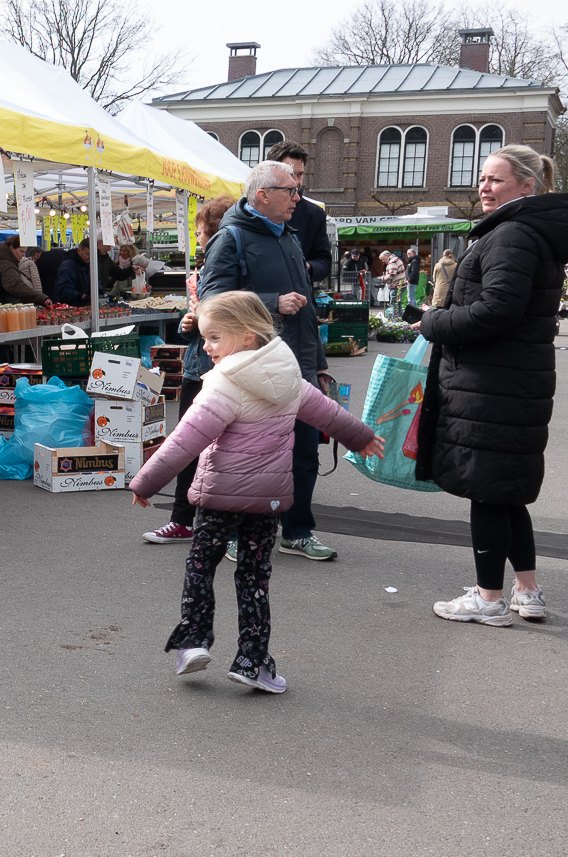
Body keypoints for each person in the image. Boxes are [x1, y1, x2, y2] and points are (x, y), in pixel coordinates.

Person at [129, 292, 382, 693]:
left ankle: (193, 641)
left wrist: (145, 483)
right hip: (268, 502)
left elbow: (184, 442)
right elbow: (329, 414)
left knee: (201, 567)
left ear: (246, 337)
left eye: (213, 338)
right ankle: (252, 661)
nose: (206, 346)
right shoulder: (288, 378)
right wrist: (362, 437)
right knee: (254, 579)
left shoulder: (223, 386)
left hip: (218, 499)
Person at [412, 145, 568, 629]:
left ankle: (488, 598)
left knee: (486, 490)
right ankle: (527, 591)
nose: (484, 188)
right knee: (506, 491)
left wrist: (435, 322)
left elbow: (497, 310)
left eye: (496, 181)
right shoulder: (525, 231)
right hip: (511, 380)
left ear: (527, 186)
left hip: (492, 384)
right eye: (482, 179)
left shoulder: (512, 234)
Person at [184, 160, 338, 560]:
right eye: (290, 190)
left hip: (296, 363)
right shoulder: (230, 238)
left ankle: (297, 530)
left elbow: (306, 310)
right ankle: (233, 532)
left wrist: (318, 362)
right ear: (263, 195)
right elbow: (213, 303)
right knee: (246, 455)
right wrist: (273, 303)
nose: (298, 197)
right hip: (251, 368)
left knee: (304, 450)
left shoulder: (288, 236)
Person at [143, 197, 234, 544]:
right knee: (192, 444)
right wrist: (188, 324)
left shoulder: (225, 264)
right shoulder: (208, 266)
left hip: (216, 369)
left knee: (200, 445)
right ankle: (184, 519)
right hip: (200, 364)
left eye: (199, 232)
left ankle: (202, 521)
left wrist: (201, 322)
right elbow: (194, 328)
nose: (197, 238)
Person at [267, 142, 333, 283]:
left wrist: (307, 267)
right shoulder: (252, 209)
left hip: (298, 298)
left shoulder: (314, 214)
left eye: (300, 174)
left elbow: (324, 262)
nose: (296, 182)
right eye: (291, 174)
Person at [52, 238, 130, 305]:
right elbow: (63, 289)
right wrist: (82, 296)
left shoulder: (91, 264)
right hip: (68, 307)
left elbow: (97, 280)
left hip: (84, 306)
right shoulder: (68, 266)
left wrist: (99, 291)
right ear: (79, 250)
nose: (90, 257)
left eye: (92, 254)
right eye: (87, 254)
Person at [0, 235, 47, 304]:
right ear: (12, 248)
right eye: (21, 251)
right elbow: (16, 285)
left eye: (25, 252)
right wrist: (41, 298)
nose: (23, 255)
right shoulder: (6, 265)